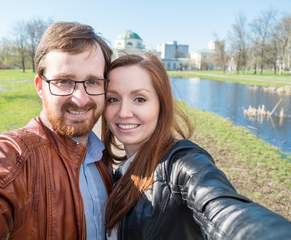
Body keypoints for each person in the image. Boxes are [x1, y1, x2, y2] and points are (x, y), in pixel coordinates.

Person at [0, 22, 113, 239]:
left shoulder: (103, 156)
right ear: (39, 86)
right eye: (64, 81)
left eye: (92, 81)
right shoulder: (16, 154)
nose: (81, 98)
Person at [102, 53, 291, 240]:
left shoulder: (180, 163)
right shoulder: (120, 172)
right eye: (113, 99)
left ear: (162, 105)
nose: (124, 112)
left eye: (140, 99)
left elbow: (222, 209)